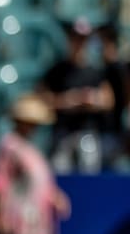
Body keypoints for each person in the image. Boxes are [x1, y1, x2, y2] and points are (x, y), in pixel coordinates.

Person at [0, 93, 71, 234]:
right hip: (20, 221)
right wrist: (1, 217)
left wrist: (54, 196)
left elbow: (39, 182)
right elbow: (0, 183)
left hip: (38, 220)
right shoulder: (9, 145)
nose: (34, 127)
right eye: (30, 122)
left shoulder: (31, 148)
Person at [41, 16, 118, 173]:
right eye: (75, 38)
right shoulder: (58, 70)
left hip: (88, 133)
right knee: (60, 173)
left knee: (89, 175)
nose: (79, 43)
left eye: (83, 39)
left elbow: (109, 100)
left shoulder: (95, 70)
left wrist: (91, 100)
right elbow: (43, 100)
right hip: (63, 133)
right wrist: (70, 100)